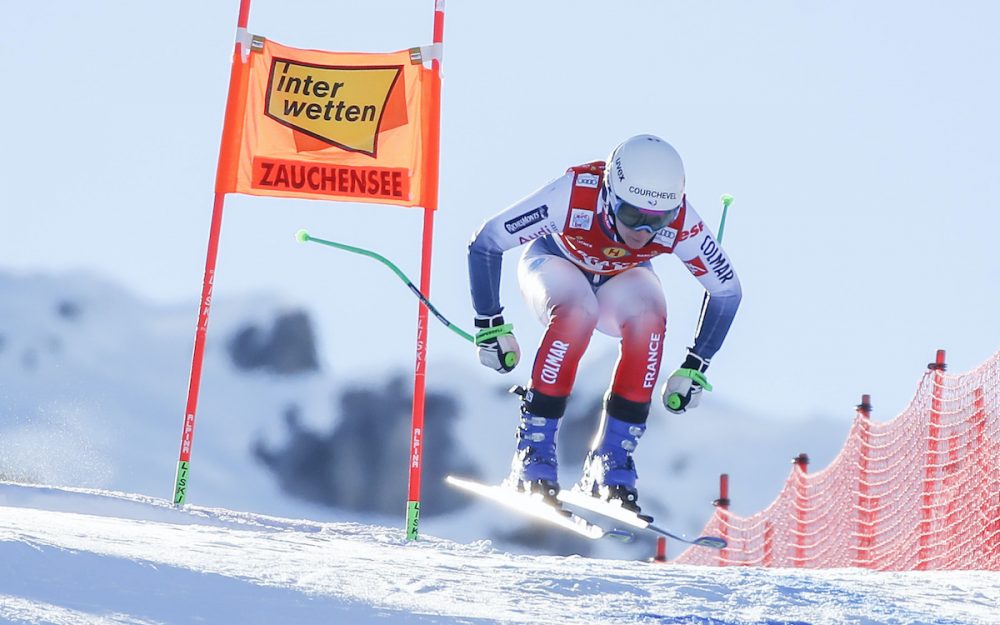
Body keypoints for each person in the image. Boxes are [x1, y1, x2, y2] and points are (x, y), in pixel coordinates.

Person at [467, 134, 741, 513]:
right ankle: (533, 455)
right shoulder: (575, 195)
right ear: (611, 195)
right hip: (554, 263)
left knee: (649, 316)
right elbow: (487, 240)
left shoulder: (681, 221)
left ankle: (609, 464)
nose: (643, 231)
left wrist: (696, 366)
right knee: (578, 313)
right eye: (632, 216)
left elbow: (727, 290)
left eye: (657, 220)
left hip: (621, 279)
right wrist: (490, 326)